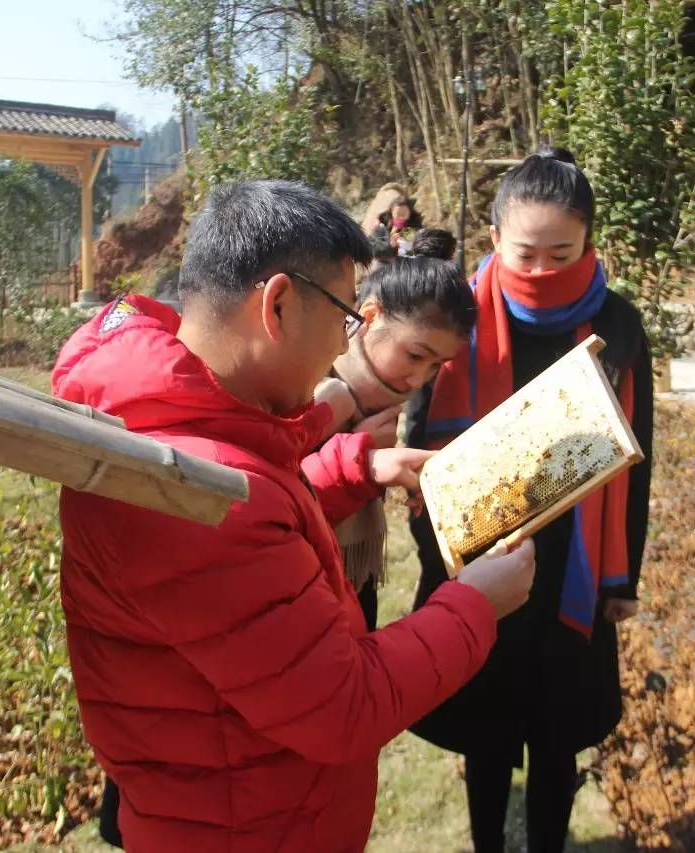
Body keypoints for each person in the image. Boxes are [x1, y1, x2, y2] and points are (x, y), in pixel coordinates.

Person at [52, 180, 536, 852]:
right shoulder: (187, 495)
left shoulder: (178, 428)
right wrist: (474, 604)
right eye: (343, 315)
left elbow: (267, 503)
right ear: (277, 304)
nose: (344, 339)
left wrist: (359, 469)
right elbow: (341, 703)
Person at [406, 148, 655, 853]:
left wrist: (622, 578)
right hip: (484, 561)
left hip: (575, 564)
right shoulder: (459, 318)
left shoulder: (618, 328)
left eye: (561, 253)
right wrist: (439, 557)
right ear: (494, 240)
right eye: (527, 253)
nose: (543, 270)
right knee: (486, 734)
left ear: (590, 243)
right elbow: (424, 432)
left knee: (557, 738)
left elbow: (638, 461)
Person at [314, 232, 474, 629]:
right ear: (369, 316)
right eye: (416, 355)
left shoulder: (381, 409)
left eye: (437, 365)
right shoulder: (308, 383)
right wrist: (362, 464)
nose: (420, 377)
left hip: (350, 592)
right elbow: (263, 501)